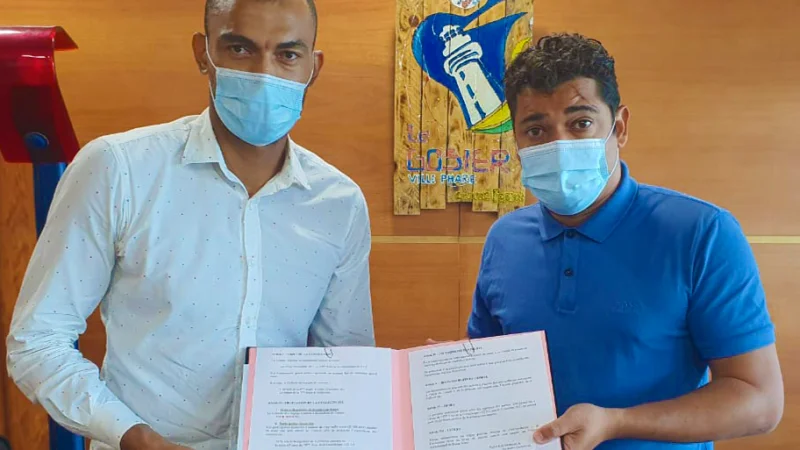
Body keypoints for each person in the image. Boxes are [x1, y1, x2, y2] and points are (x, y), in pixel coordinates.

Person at [6, 0, 375, 449]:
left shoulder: (339, 204)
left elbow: (348, 362)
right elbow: (37, 341)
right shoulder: (118, 168)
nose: (264, 73)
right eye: (240, 49)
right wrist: (132, 436)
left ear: (313, 68)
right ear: (204, 53)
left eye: (288, 54)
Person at [467, 33, 784, 450]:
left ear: (619, 128)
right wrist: (451, 370)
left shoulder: (702, 233)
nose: (559, 144)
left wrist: (616, 423)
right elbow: (490, 367)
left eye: (580, 123)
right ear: (517, 141)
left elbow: (759, 401)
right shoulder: (504, 238)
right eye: (536, 129)